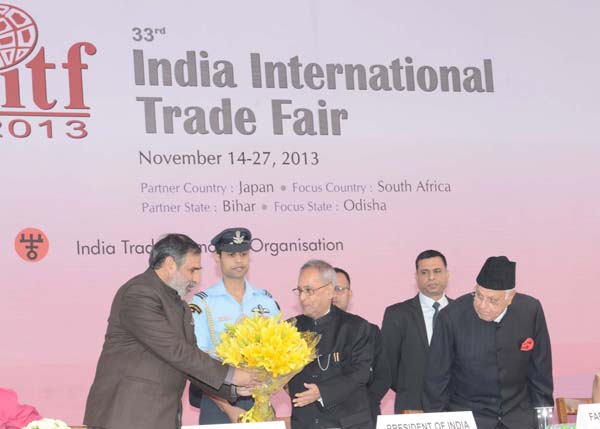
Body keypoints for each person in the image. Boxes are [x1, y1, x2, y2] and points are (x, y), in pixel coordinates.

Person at [84, 233, 258, 429]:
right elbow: (175, 350)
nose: (196, 279)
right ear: (169, 264)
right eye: (192, 270)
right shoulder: (139, 293)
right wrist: (233, 375)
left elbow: (190, 359)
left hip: (159, 416)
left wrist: (234, 389)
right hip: (127, 415)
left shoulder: (179, 304)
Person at [423, 256, 554, 429]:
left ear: (510, 297)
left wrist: (543, 423)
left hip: (519, 418)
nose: (483, 305)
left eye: (492, 300)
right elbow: (437, 379)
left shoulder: (530, 310)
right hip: (469, 418)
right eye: (478, 295)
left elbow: (540, 373)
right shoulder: (451, 316)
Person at [188, 227, 280, 424]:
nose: (239, 260)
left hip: (261, 401)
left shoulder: (266, 301)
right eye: (231, 255)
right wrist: (227, 407)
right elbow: (199, 363)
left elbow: (280, 355)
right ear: (217, 258)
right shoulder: (202, 304)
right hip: (218, 403)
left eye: (244, 254)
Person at [288, 259, 374, 429]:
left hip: (346, 423)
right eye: (299, 291)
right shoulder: (289, 328)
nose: (303, 297)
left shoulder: (356, 327)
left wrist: (322, 392)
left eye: (309, 290)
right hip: (305, 423)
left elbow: (361, 374)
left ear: (329, 291)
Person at [380, 249, 451, 413]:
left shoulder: (462, 312)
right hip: (412, 407)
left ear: (447, 274)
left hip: (457, 408)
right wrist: (410, 393)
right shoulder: (397, 314)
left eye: (437, 271)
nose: (431, 277)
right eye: (424, 272)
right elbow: (388, 366)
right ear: (416, 277)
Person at [333, 267, 390, 421]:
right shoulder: (308, 334)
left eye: (339, 289)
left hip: (363, 415)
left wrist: (362, 403)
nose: (334, 295)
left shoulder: (369, 330)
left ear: (349, 294)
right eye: (329, 289)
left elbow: (383, 376)